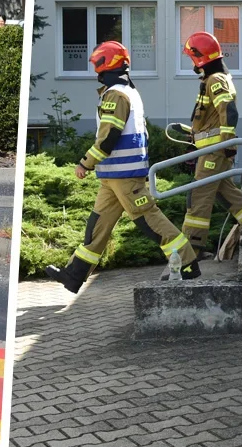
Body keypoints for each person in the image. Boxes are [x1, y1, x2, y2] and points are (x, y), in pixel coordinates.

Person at [44, 41, 199, 294]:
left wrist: (86, 162)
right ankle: (73, 275)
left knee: (149, 221)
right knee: (97, 227)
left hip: (124, 176)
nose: (96, 71)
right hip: (113, 176)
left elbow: (108, 137)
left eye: (97, 65)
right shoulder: (126, 91)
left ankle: (187, 263)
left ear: (106, 65)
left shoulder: (115, 94)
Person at [179, 32, 242, 255]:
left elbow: (229, 111)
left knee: (199, 195)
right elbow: (210, 117)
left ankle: (193, 246)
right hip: (212, 150)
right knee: (226, 193)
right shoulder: (213, 79)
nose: (192, 63)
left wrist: (228, 142)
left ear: (200, 57)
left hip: (215, 151)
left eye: (193, 58)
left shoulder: (215, 80)